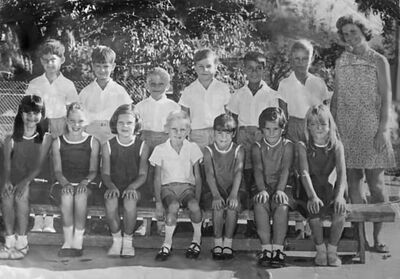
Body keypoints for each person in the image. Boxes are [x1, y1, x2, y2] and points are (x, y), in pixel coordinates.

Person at [333, 15, 396, 253]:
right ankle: (361, 240)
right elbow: (337, 97)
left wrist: (382, 130)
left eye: (353, 31)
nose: (350, 36)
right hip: (346, 129)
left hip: (372, 129)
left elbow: (386, 99)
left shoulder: (379, 60)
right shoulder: (341, 61)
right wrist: (333, 129)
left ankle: (378, 237)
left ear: (363, 30)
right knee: (353, 185)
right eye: (346, 33)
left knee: (377, 185)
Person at [227, 51, 284, 235]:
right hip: (243, 135)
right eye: (250, 69)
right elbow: (233, 120)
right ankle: (247, 218)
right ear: (244, 70)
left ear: (264, 69)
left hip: (262, 136)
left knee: (261, 175)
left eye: (258, 68)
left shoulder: (272, 94)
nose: (254, 72)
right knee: (246, 174)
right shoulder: (238, 94)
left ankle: (260, 221)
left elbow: (275, 120)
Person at [26, 39, 79, 233]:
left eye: (53, 59)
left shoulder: (68, 84)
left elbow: (73, 111)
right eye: (46, 60)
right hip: (39, 127)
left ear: (62, 60)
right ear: (41, 61)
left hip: (60, 127)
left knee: (56, 171)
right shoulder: (35, 83)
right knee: (39, 170)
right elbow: (28, 110)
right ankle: (38, 217)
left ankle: (50, 220)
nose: (50, 63)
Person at [149, 110, 203, 261]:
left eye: (183, 129)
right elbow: (157, 178)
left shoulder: (193, 148)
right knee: (172, 206)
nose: (178, 133)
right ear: (167, 129)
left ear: (188, 131)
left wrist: (197, 198)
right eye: (174, 129)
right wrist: (159, 203)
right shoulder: (160, 149)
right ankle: (167, 243)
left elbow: (198, 177)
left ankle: (196, 240)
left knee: (194, 206)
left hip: (187, 188)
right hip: (168, 188)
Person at [297, 104, 347, 266]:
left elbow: (341, 173)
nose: (318, 127)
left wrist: (339, 196)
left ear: (330, 125)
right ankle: (320, 250)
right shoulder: (303, 145)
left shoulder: (337, 145)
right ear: (308, 126)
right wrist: (312, 196)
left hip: (330, 188)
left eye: (323, 124)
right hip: (310, 188)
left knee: (340, 212)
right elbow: (304, 173)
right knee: (314, 211)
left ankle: (332, 250)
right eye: (313, 124)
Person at [0, 95, 48, 259]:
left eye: (36, 112)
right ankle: (9, 241)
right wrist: (6, 182)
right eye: (27, 112)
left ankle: (22, 241)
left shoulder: (46, 139)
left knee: (21, 195)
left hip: (38, 181)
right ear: (20, 113)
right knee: (6, 195)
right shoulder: (10, 139)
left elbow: (39, 167)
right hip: (15, 178)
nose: (31, 117)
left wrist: (24, 183)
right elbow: (7, 167)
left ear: (42, 114)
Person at [135, 67, 180, 234]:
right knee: (146, 183)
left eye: (161, 84)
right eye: (152, 83)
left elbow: (177, 129)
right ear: (146, 85)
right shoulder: (140, 106)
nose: (156, 86)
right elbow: (138, 131)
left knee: (163, 183)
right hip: (146, 147)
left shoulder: (173, 106)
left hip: (164, 147)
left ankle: (163, 223)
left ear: (167, 86)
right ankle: (145, 223)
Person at [51, 102, 100, 257]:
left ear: (86, 122)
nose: (76, 124)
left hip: (86, 183)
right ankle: (67, 240)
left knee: (80, 196)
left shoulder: (93, 141)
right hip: (63, 182)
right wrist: (65, 183)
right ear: (66, 121)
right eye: (72, 121)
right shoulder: (57, 142)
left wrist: (84, 182)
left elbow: (93, 171)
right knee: (66, 196)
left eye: (80, 121)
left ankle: (77, 241)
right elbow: (58, 171)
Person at [102, 104, 150, 257]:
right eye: (121, 122)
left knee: (130, 201)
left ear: (136, 124)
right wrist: (110, 186)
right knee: (110, 201)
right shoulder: (108, 145)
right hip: (114, 185)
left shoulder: (142, 145)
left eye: (129, 123)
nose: (125, 126)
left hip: (136, 186)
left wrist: (132, 187)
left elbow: (143, 174)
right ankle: (116, 240)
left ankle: (128, 240)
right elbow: (106, 174)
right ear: (115, 123)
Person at [252, 107, 294, 268]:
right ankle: (266, 248)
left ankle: (277, 249)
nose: (271, 133)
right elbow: (258, 169)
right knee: (260, 204)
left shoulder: (287, 145)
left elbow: (286, 169)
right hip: (263, 184)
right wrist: (262, 189)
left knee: (281, 207)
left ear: (282, 129)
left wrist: (280, 190)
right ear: (261, 129)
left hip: (283, 185)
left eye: (275, 129)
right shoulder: (257, 146)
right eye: (267, 129)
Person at [202, 113, 245, 260]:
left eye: (227, 133)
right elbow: (209, 174)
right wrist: (215, 195)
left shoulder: (239, 149)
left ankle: (228, 243)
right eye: (219, 133)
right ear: (213, 133)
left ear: (233, 134)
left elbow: (238, 172)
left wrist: (233, 195)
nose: (223, 137)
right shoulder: (208, 150)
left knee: (233, 207)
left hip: (234, 188)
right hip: (214, 189)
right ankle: (218, 242)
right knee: (218, 207)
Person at [277, 39, 331, 143]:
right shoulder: (285, 84)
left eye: (305, 59)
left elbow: (325, 111)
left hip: (315, 127)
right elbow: (282, 114)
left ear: (311, 59)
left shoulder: (319, 82)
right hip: (293, 130)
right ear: (291, 59)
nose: (301, 63)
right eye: (297, 59)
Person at [179, 48, 231, 151]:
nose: (205, 70)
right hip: (197, 133)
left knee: (218, 160)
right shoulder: (189, 90)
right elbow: (184, 114)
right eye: (201, 67)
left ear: (215, 67)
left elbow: (228, 112)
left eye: (208, 66)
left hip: (219, 132)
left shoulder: (223, 88)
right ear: (195, 68)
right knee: (198, 161)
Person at [79, 45, 132, 144]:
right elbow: (80, 116)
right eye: (98, 66)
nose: (102, 70)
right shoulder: (85, 92)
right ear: (93, 66)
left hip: (112, 136)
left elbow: (128, 115)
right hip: (90, 136)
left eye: (106, 66)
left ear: (113, 67)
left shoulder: (120, 92)